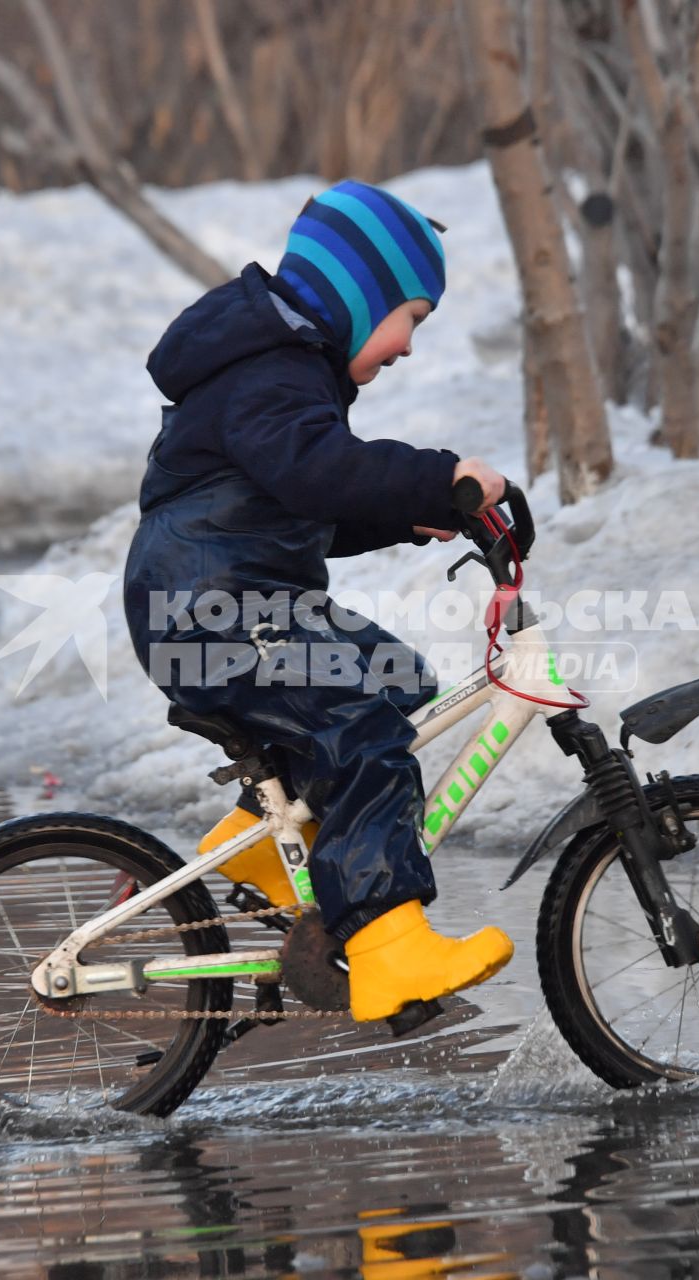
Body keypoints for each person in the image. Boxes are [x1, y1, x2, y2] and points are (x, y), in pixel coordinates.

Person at [123, 180, 512, 1024]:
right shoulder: (271, 372)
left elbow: (301, 506)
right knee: (363, 727)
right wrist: (435, 473)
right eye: (410, 316)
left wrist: (411, 514)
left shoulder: (278, 369)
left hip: (231, 597)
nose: (408, 345)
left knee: (394, 682)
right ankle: (385, 943)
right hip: (212, 609)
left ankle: (260, 850)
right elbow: (318, 471)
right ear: (357, 295)